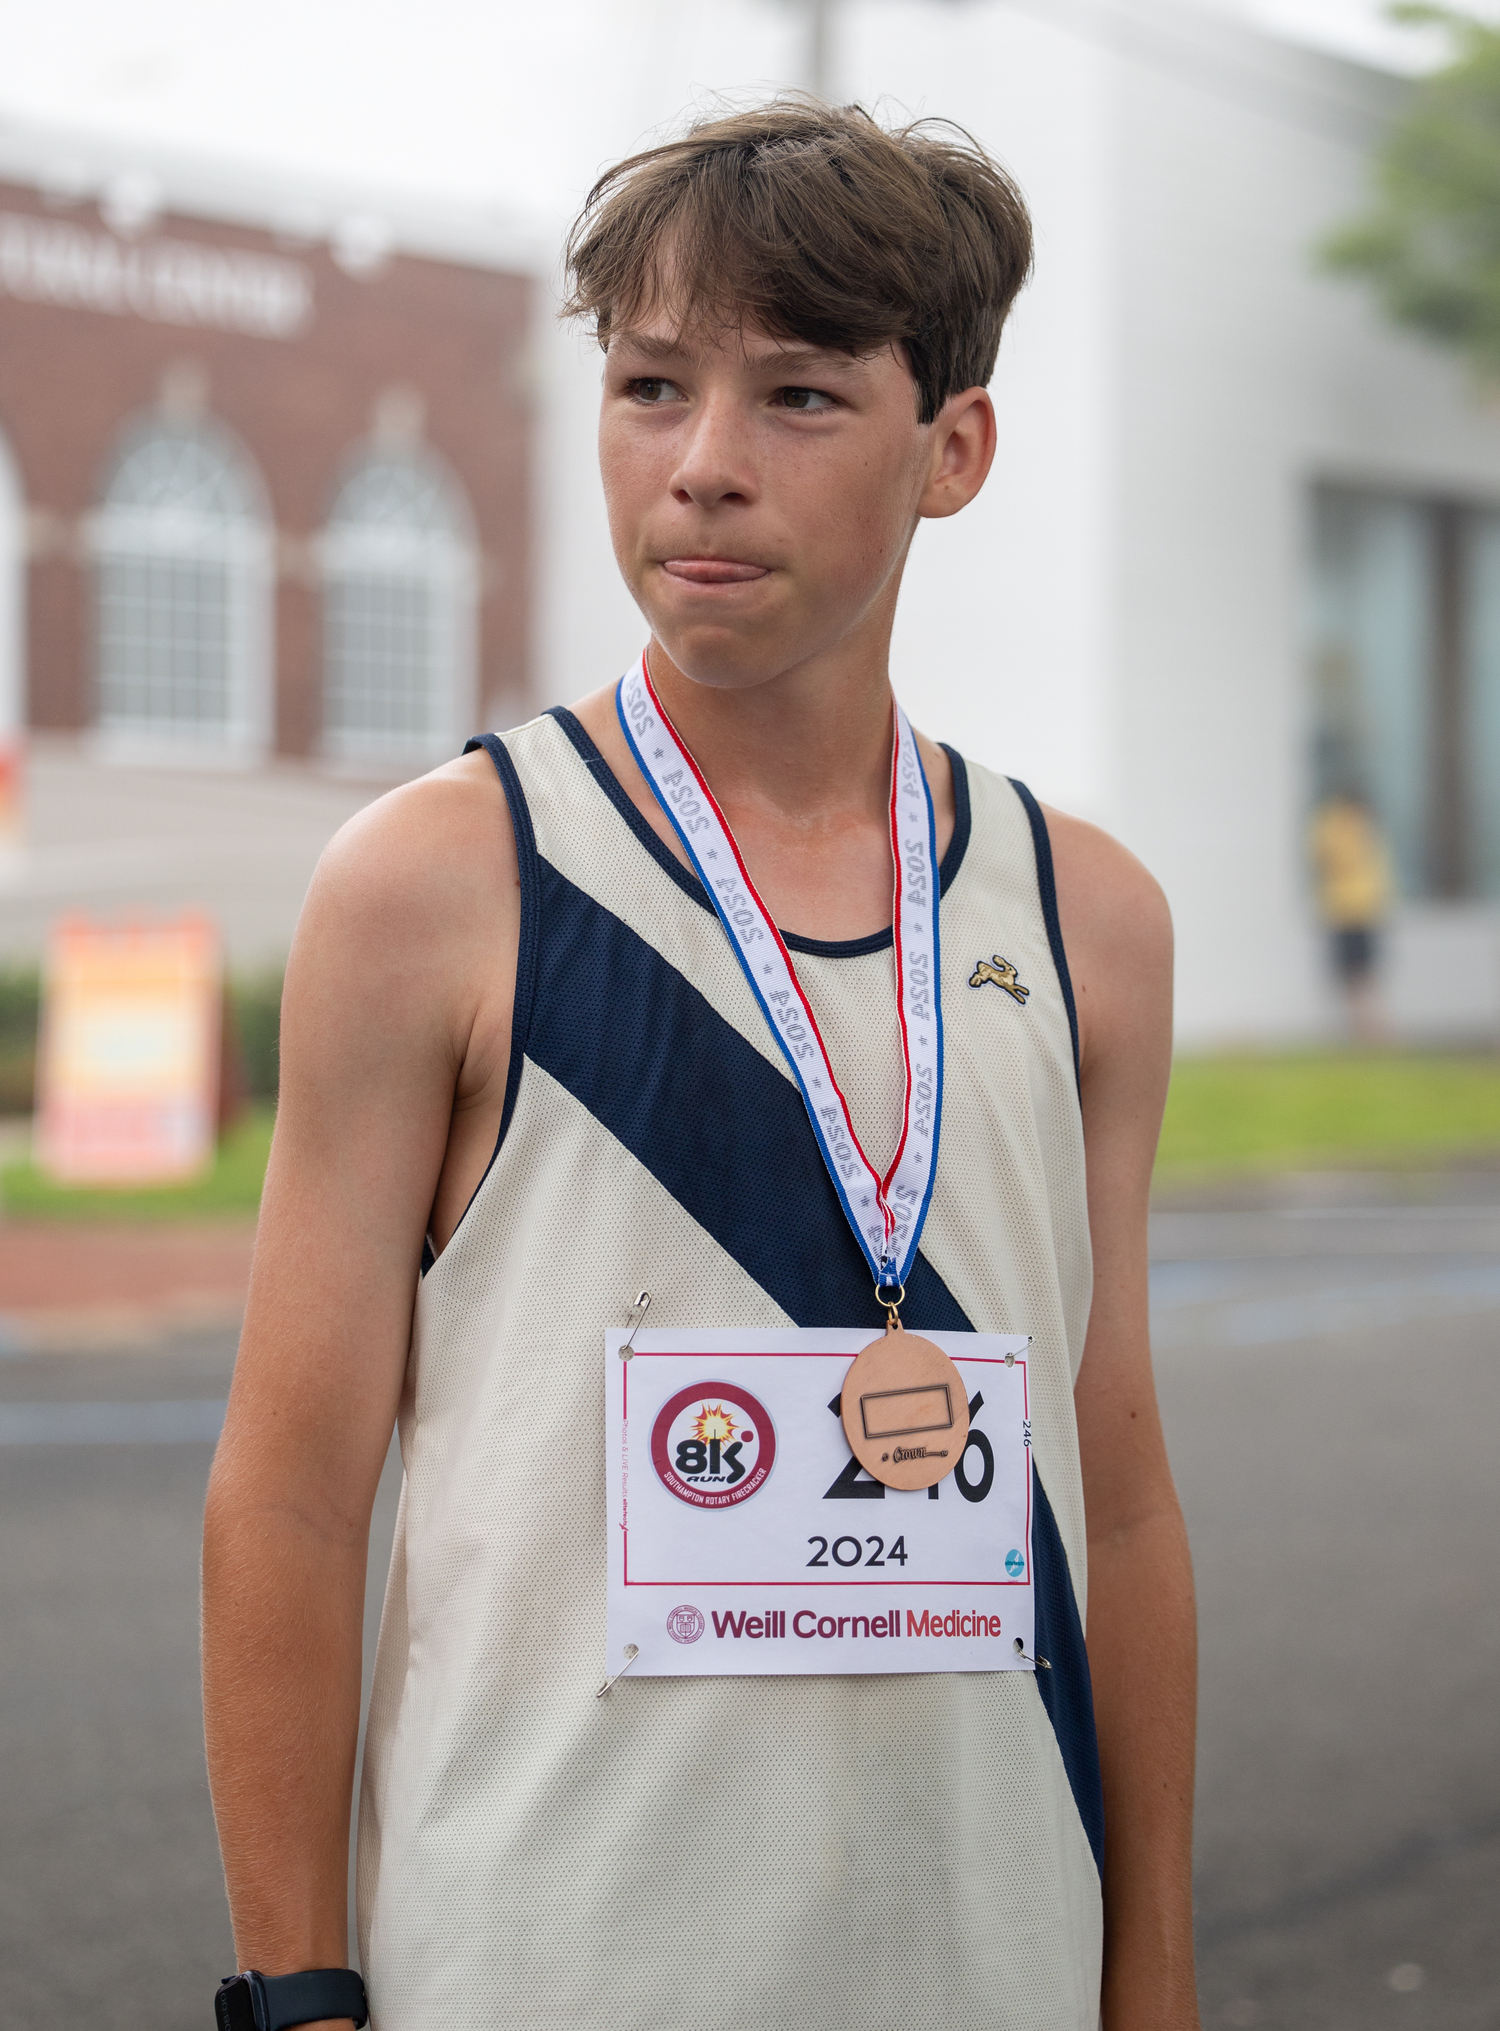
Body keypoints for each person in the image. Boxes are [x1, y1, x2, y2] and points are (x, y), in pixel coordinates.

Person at [203, 99, 1197, 2031]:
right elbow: (293, 1495)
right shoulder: (437, 887)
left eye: (801, 398)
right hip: (541, 1965)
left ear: (953, 450)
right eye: (651, 387)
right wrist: (294, 1988)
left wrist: (1146, 1973)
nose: (705, 467)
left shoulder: (1090, 922)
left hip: (986, 1959)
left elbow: (1128, 1500)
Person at [1310, 788, 1391, 1042]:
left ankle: (1370, 1029)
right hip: (1350, 910)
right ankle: (1365, 1028)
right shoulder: (1347, 827)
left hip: (1355, 910)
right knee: (1355, 974)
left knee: (1359, 974)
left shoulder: (1342, 827)